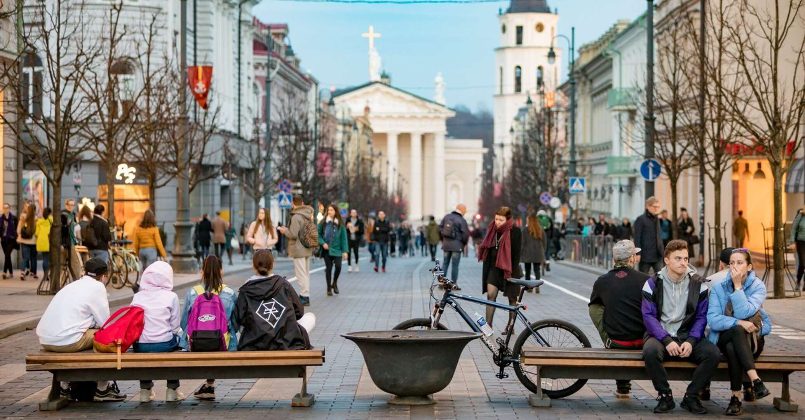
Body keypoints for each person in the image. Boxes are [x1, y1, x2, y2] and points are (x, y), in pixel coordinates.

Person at [641, 239, 719, 414]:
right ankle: (665, 396)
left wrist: (691, 340)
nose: (683, 263)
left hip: (688, 335)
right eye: (678, 258)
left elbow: (701, 317)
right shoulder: (653, 283)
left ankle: (691, 397)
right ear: (667, 260)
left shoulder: (698, 284)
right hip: (660, 335)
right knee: (650, 352)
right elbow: (648, 316)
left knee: (713, 354)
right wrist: (667, 340)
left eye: (685, 258)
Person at [35, 258, 126, 401]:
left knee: (85, 333)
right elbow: (105, 323)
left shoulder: (73, 285)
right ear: (103, 276)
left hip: (46, 339)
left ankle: (64, 387)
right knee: (105, 338)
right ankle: (103, 388)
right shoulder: (97, 287)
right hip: (67, 341)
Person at [707, 248, 772, 416]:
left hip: (752, 340)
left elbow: (744, 312)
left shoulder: (758, 286)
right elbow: (713, 320)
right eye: (732, 263)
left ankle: (735, 398)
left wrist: (737, 287)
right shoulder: (718, 287)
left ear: (749, 267)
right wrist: (738, 322)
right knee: (736, 330)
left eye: (740, 262)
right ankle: (755, 380)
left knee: (732, 348)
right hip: (722, 336)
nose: (734, 266)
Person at [589, 240, 649, 398]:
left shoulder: (602, 281)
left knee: (601, 311)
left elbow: (594, 309)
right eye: (636, 255)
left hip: (617, 342)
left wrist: (605, 335)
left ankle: (623, 386)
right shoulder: (646, 280)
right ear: (631, 259)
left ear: (614, 260)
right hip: (644, 341)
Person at [180, 255, 238, 400]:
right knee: (224, 338)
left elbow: (183, 324)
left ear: (202, 272)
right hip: (223, 343)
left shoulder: (193, 292)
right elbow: (236, 324)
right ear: (221, 271)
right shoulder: (229, 293)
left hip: (196, 344)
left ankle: (207, 385)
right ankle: (209, 384)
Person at [233, 249, 315, 350]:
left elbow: (238, 319)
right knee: (310, 317)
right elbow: (299, 312)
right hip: (286, 341)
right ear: (273, 264)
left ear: (253, 266)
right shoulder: (284, 284)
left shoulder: (246, 290)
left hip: (254, 342)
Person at [131, 261, 184, 402]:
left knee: (143, 358)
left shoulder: (138, 297)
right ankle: (172, 389)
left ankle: (144, 390)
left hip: (142, 344)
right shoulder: (171, 296)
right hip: (164, 343)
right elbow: (175, 326)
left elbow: (132, 323)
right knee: (175, 351)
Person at [478, 206, 522, 330]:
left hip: (510, 269)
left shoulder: (515, 231)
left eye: (501, 220)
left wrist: (511, 274)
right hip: (494, 269)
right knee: (490, 295)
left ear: (507, 220)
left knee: (512, 299)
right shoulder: (492, 230)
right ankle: (488, 326)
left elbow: (516, 255)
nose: (497, 222)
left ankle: (510, 326)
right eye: (496, 219)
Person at [277, 196, 314, 306]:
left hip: (298, 248)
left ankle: (304, 296)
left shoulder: (296, 217)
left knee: (300, 274)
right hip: (307, 247)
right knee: (306, 273)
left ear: (293, 204)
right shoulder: (308, 216)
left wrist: (284, 231)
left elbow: (293, 234)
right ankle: (305, 294)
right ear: (302, 203)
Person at [318, 204, 348, 296]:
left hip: (337, 249)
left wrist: (345, 251)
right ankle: (328, 289)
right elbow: (318, 235)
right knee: (329, 269)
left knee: (338, 267)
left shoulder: (340, 223)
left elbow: (344, 238)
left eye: (331, 210)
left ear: (335, 211)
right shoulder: (323, 222)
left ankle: (334, 283)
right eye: (329, 210)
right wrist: (323, 243)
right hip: (327, 250)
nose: (329, 211)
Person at [440, 204, 470, 289]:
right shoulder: (461, 220)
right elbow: (465, 234)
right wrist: (463, 243)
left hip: (446, 245)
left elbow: (440, 228)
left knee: (445, 264)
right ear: (462, 210)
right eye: (465, 211)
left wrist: (443, 240)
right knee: (455, 265)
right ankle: (453, 283)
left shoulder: (446, 217)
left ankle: (442, 283)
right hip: (457, 246)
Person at [634, 197, 665, 275]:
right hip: (645, 255)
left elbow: (658, 236)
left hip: (658, 254)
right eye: (654, 207)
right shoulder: (640, 219)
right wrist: (638, 253)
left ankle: (656, 288)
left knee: (660, 279)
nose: (656, 209)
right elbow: (637, 237)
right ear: (647, 206)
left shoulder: (657, 219)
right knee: (643, 280)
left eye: (658, 207)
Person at [521, 214, 546, 293]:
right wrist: (543, 250)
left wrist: (521, 252)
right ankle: (537, 285)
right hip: (538, 252)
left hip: (527, 253)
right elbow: (544, 242)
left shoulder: (525, 230)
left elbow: (522, 242)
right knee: (537, 270)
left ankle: (528, 287)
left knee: (527, 270)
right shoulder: (540, 229)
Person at [17, 203, 37, 280]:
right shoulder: (37, 219)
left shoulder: (23, 218)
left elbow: (18, 229)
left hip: (24, 241)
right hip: (33, 241)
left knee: (25, 258)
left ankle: (22, 272)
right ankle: (34, 273)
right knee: (33, 257)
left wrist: (19, 235)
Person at [0, 203, 18, 279]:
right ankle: (11, 272)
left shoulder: (14, 218)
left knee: (7, 255)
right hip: (3, 240)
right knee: (8, 256)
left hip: (11, 240)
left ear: (9, 208)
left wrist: (16, 237)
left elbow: (17, 229)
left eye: (7, 208)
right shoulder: (0, 219)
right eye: (4, 208)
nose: (5, 209)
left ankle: (4, 272)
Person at [36, 208, 53, 280]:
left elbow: (36, 233)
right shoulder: (51, 220)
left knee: (45, 259)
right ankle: (49, 274)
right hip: (50, 241)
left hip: (42, 241)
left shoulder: (39, 221)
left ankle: (45, 275)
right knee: (50, 259)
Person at [790, 208, 805, 291]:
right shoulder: (801, 215)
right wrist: (792, 241)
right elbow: (793, 228)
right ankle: (798, 281)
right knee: (802, 263)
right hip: (801, 242)